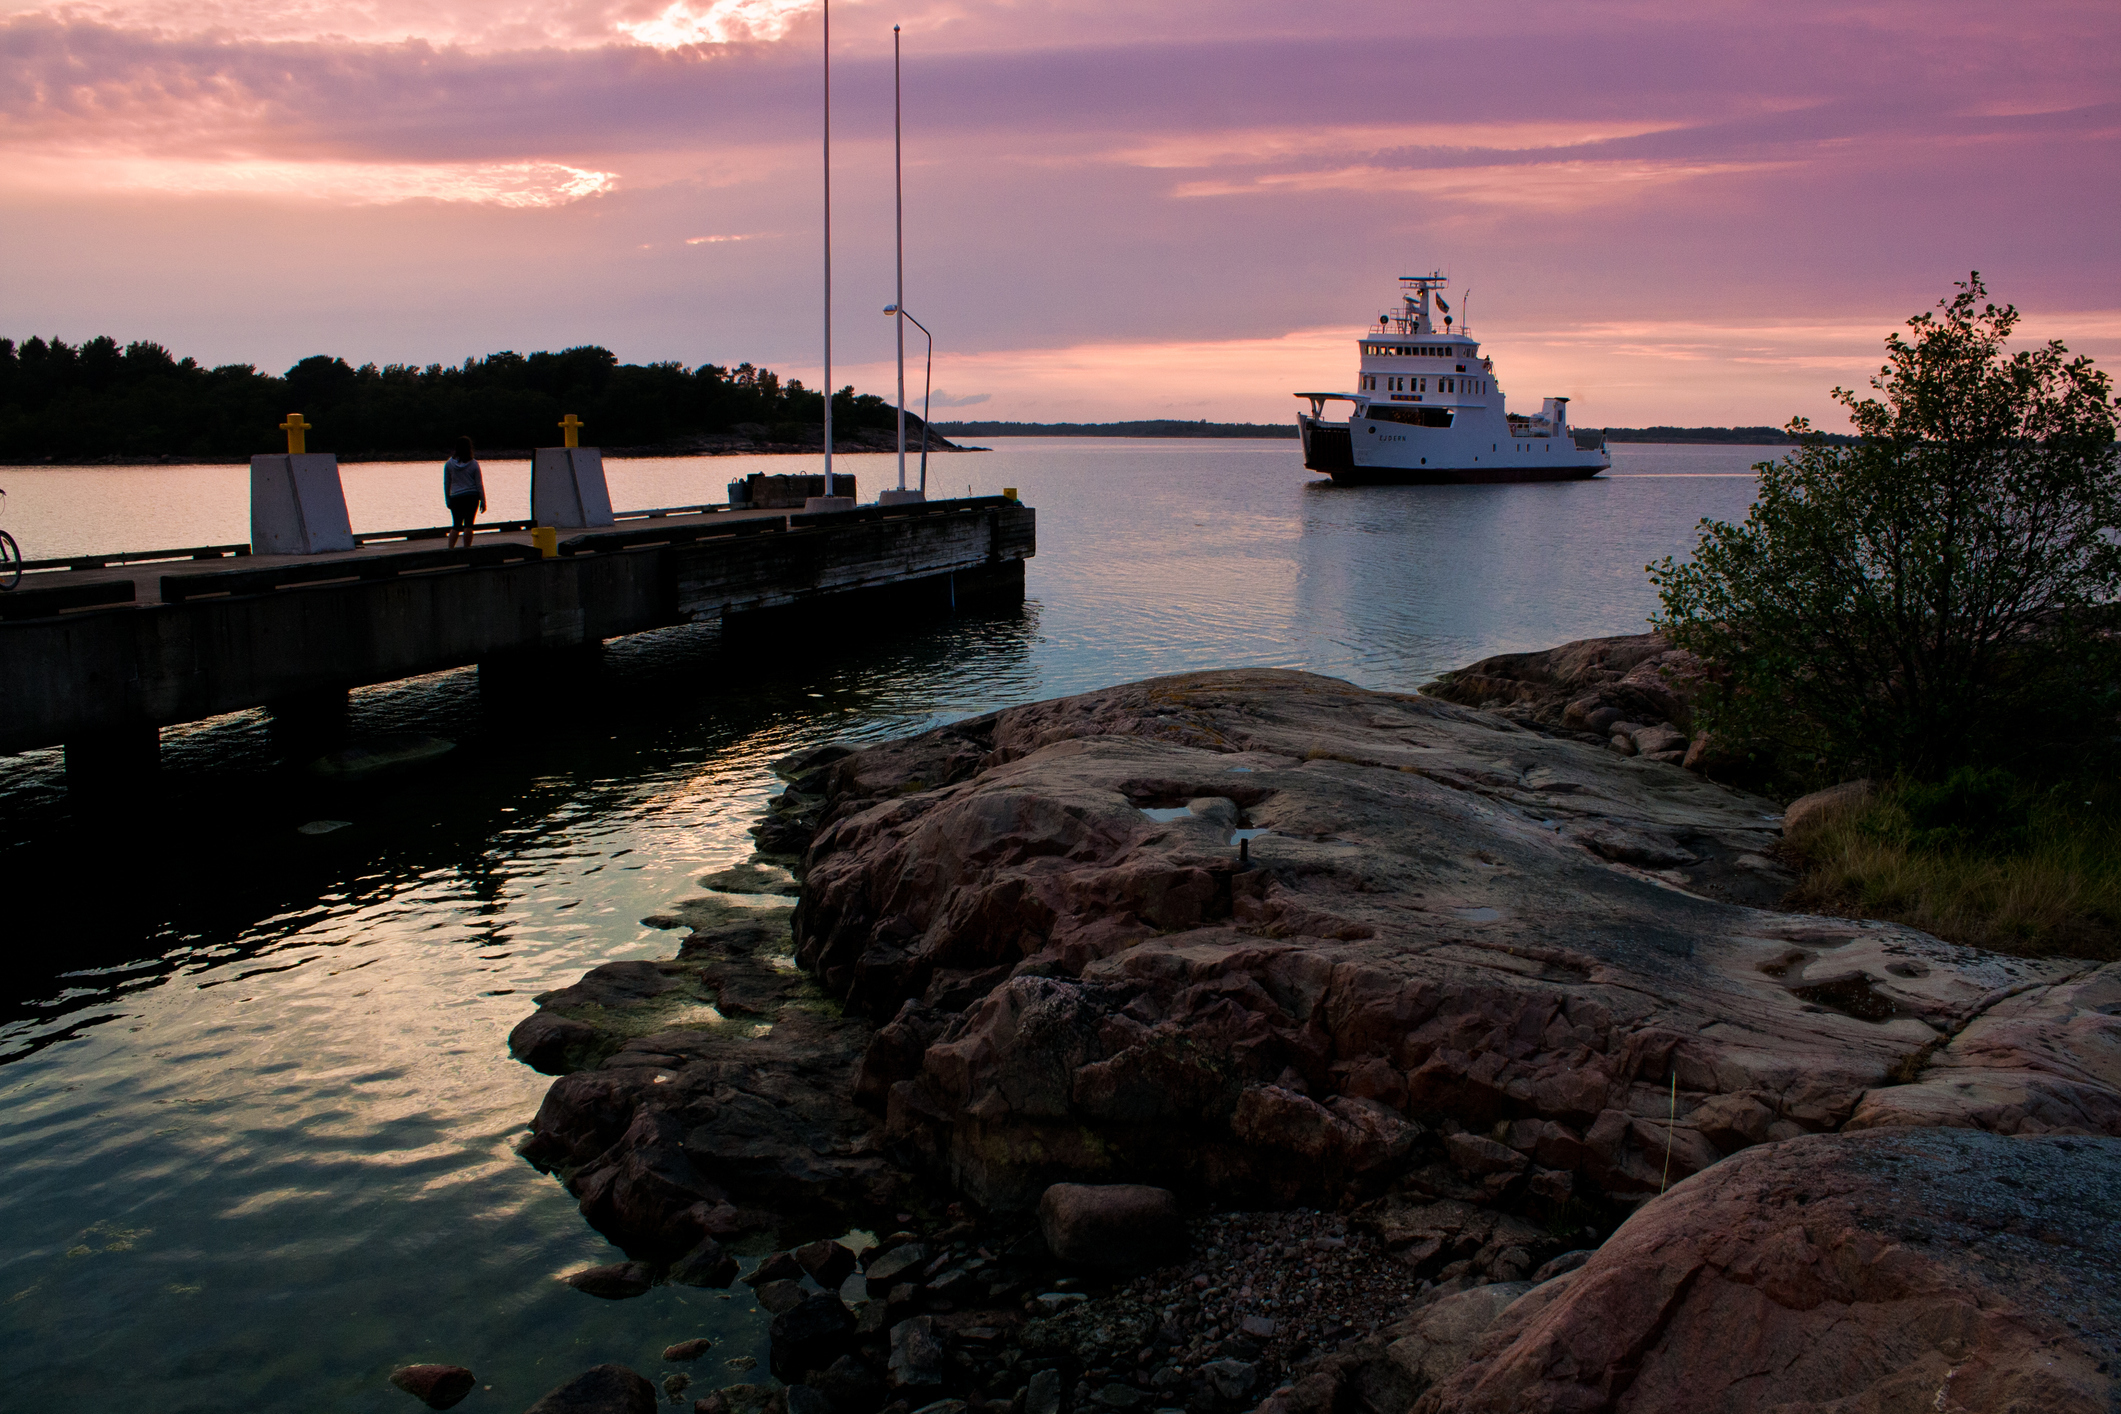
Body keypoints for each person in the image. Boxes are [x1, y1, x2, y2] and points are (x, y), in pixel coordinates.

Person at [443, 437, 485, 548]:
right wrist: (483, 500)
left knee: (456, 525)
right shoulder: (474, 464)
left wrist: (447, 498)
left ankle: (450, 549)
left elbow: (447, 483)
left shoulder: (449, 464)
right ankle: (467, 549)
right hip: (472, 496)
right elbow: (479, 484)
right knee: (469, 525)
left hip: (456, 497)